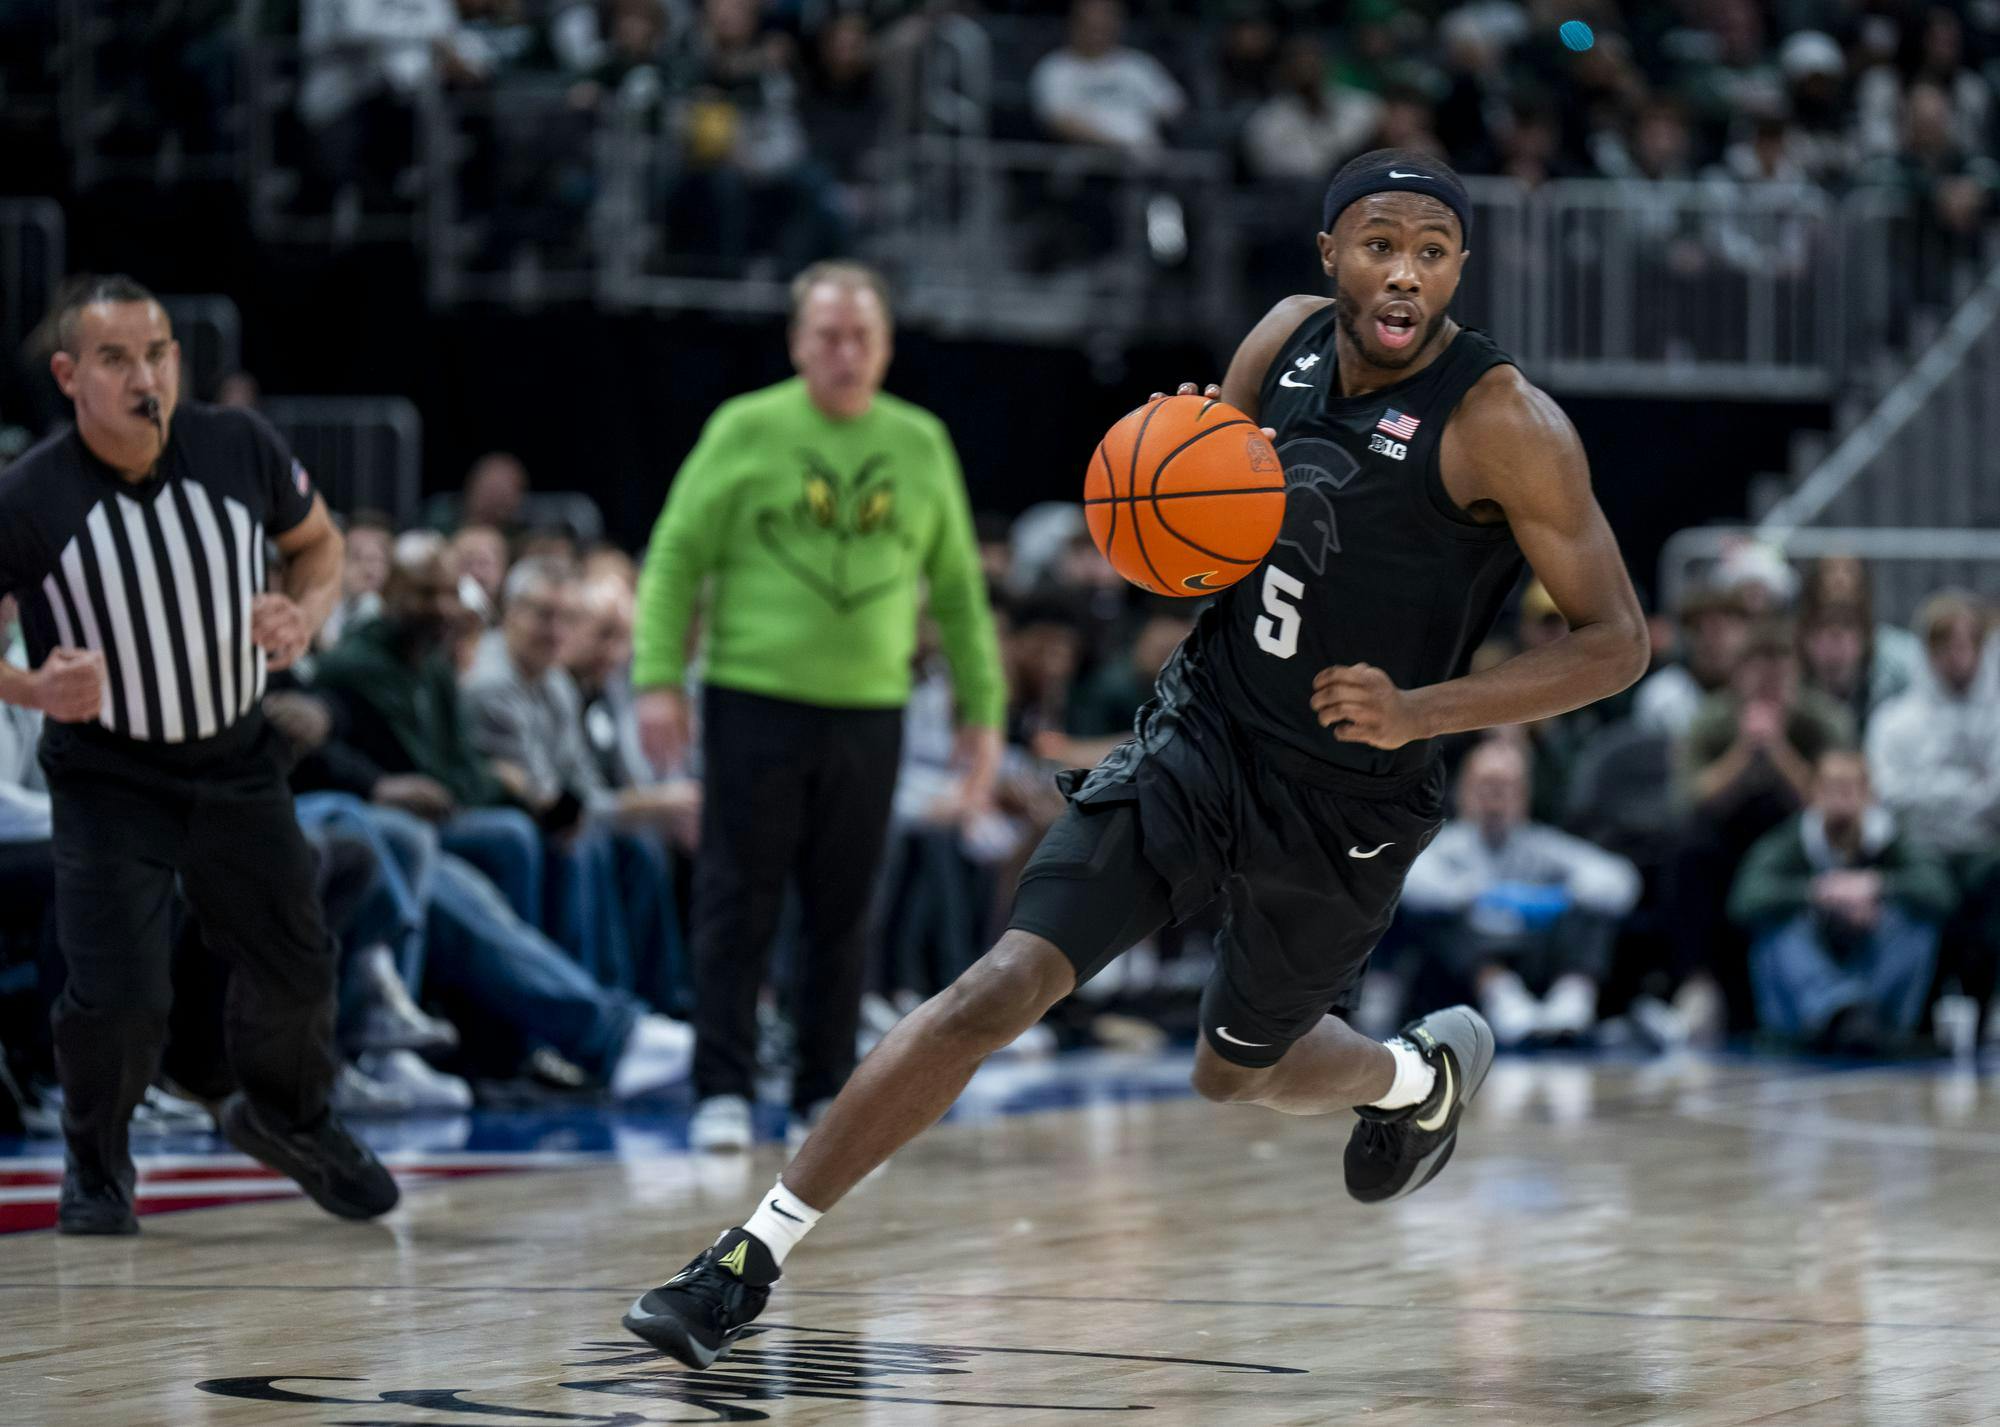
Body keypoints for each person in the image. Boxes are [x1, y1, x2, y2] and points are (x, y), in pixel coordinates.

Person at [620, 151, 1650, 1366]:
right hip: (1203, 729)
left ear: (1458, 270)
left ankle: (1411, 1078)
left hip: (1347, 789)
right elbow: (1204, 537)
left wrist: (1420, 710)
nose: (1402, 271)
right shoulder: (1280, 340)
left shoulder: (1504, 424)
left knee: (1237, 1072)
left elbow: (1616, 642)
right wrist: (1176, 471)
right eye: (1378, 243)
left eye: (1430, 250)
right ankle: (745, 1257)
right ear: (1329, 255)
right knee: (994, 984)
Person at [0, 276, 396, 1234]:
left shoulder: (238, 445)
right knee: (120, 995)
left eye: (160, 353)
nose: (147, 375)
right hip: (106, 772)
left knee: (299, 960)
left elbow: (320, 545)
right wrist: (34, 688)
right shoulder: (28, 496)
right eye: (117, 358)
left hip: (236, 757)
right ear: (69, 375)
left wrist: (302, 614)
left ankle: (287, 1115)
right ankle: (96, 1166)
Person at [632, 260, 1005, 1152]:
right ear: (798, 342)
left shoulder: (919, 441)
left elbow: (957, 591)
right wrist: (654, 677)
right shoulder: (746, 428)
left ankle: (819, 1091)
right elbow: (676, 555)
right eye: (828, 335)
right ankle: (720, 1085)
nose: (845, 352)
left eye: (862, 336)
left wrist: (981, 713)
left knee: (845, 910)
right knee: (737, 896)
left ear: (884, 346)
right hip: (751, 698)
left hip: (870, 710)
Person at [1399, 738, 1641, 1045]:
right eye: (1486, 786)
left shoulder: (1542, 844)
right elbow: (1408, 882)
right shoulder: (1446, 844)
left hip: (1537, 957)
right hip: (1467, 971)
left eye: (1506, 788)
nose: (1495, 798)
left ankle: (1570, 1002)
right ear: (1463, 791)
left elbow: (1620, 879)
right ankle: (1503, 996)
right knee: (1438, 918)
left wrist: (1563, 896)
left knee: (1592, 912)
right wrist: (1479, 894)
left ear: (1524, 796)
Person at [1731, 749, 1955, 1054]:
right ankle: (1840, 1011)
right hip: (1808, 995)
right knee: (1774, 923)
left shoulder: (1891, 838)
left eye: (1850, 788)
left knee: (1916, 919)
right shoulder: (1792, 840)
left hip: (1873, 974)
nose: (1841, 798)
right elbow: (1744, 898)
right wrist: (1816, 892)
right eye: (1831, 788)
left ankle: (1864, 1017)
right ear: (1814, 795)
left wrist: (1877, 885)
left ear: (1869, 795)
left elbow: (1941, 892)